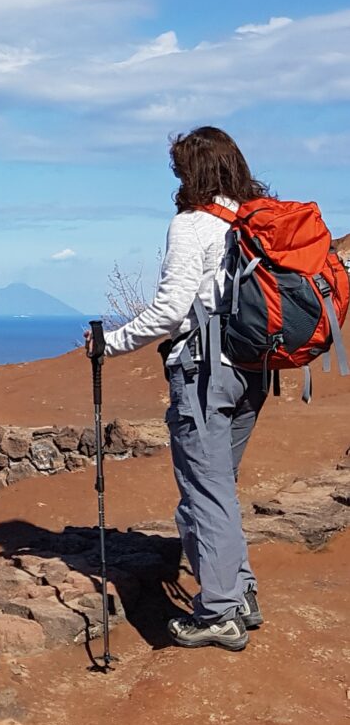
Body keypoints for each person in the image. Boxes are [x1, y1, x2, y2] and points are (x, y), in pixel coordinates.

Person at [86, 126, 268, 651]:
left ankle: (220, 614)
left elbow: (169, 310)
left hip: (205, 372)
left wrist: (109, 345)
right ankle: (241, 594)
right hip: (254, 368)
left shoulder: (192, 225)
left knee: (204, 490)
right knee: (219, 487)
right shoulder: (253, 216)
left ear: (192, 172)